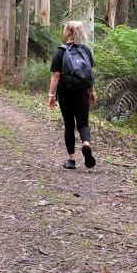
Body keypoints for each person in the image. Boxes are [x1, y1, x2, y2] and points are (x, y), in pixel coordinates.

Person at [48, 20, 97, 169]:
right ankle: (86, 144)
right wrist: (92, 90)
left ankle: (71, 160)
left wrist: (51, 95)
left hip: (65, 93)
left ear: (68, 33)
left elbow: (56, 76)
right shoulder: (86, 50)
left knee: (69, 124)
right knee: (83, 124)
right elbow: (90, 72)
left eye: (65, 30)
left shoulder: (60, 51)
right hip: (82, 92)